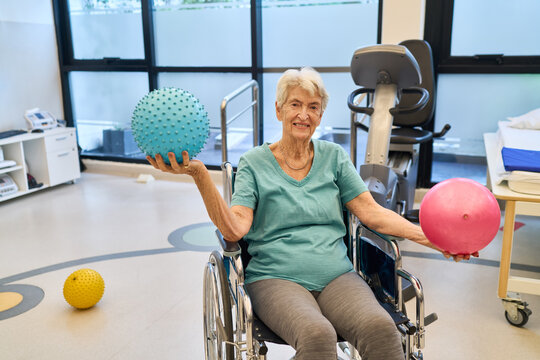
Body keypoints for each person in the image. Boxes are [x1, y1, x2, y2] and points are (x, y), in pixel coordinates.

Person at [147, 67, 477, 360]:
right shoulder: (253, 163)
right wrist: (200, 175)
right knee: (317, 336)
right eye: (295, 104)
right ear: (278, 110)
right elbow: (234, 229)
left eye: (313, 107)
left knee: (379, 327)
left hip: (337, 276)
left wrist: (434, 238)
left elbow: (371, 213)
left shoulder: (333, 157)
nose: (304, 114)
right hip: (275, 278)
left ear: (320, 115)